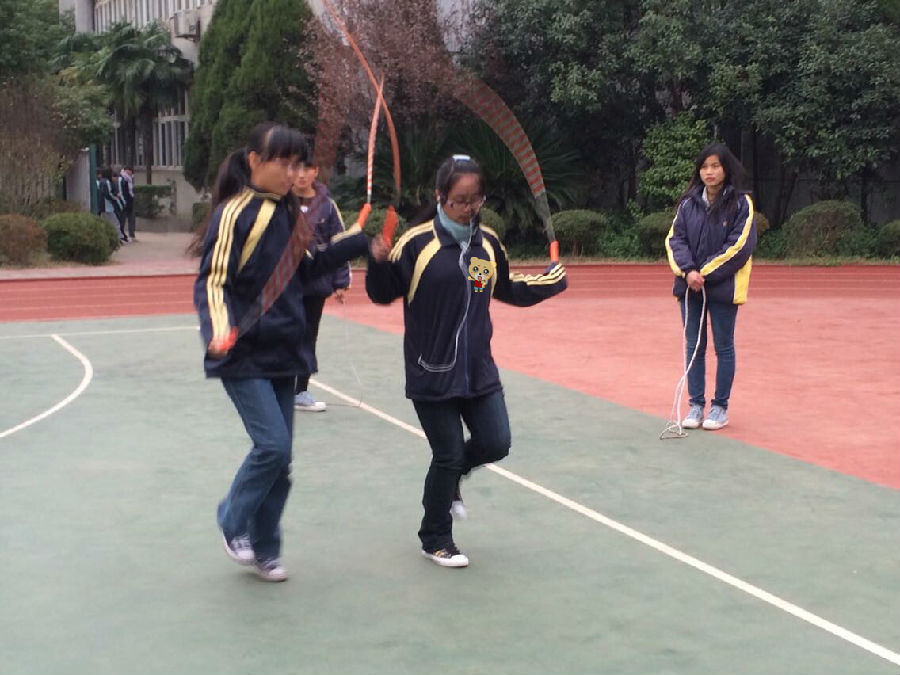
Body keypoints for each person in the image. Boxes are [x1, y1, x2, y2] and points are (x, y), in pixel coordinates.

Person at [193, 122, 377, 582]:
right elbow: (213, 280)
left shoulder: (291, 215)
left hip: (283, 352)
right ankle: (231, 520)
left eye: (299, 165)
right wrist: (218, 328)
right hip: (242, 352)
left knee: (282, 461)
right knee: (272, 446)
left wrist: (358, 242)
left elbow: (308, 266)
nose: (294, 173)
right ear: (255, 161)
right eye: (285, 164)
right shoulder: (235, 214)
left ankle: (265, 549)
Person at [365, 154, 567, 568]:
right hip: (431, 370)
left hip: (478, 370)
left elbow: (499, 288)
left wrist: (549, 282)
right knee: (448, 453)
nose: (469, 208)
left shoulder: (485, 244)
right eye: (460, 200)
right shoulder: (417, 243)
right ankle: (436, 537)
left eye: (476, 200)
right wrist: (378, 262)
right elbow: (382, 292)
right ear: (440, 197)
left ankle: (454, 477)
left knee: (496, 442)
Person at [664, 142, 757, 432]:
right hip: (689, 287)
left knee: (724, 346)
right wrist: (688, 272)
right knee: (694, 346)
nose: (709, 172)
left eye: (715, 166)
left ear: (726, 168)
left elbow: (739, 247)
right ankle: (695, 405)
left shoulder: (741, 203)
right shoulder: (687, 203)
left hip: (723, 288)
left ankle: (720, 407)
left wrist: (703, 273)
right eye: (704, 166)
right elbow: (675, 240)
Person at [291, 155, 349, 412]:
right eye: (296, 169)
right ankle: (276, 386)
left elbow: (339, 244)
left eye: (307, 169)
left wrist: (341, 282)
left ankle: (300, 391)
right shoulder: (280, 202)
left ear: (316, 171)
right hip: (285, 286)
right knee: (282, 333)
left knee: (308, 336)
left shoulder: (327, 206)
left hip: (315, 286)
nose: (301, 175)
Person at [97, 167, 128, 242]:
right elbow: (108, 194)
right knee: (115, 222)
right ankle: (119, 238)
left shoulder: (101, 181)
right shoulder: (107, 182)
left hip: (103, 206)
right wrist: (115, 197)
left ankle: (106, 238)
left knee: (105, 222)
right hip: (107, 206)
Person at [118, 165, 136, 241]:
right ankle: (121, 234)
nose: (130, 173)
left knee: (132, 218)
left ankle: (131, 235)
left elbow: (131, 190)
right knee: (122, 219)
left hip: (130, 200)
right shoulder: (121, 179)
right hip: (124, 201)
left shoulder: (131, 179)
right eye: (129, 171)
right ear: (126, 170)